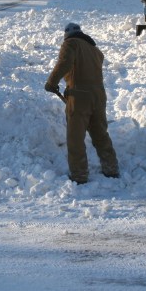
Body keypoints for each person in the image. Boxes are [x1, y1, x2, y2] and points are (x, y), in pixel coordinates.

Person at [44, 23, 120, 184]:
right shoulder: (95, 51)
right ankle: (111, 168)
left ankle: (79, 175)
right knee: (100, 134)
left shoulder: (71, 43)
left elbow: (65, 62)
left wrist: (52, 82)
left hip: (79, 96)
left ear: (67, 35)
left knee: (75, 138)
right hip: (99, 96)